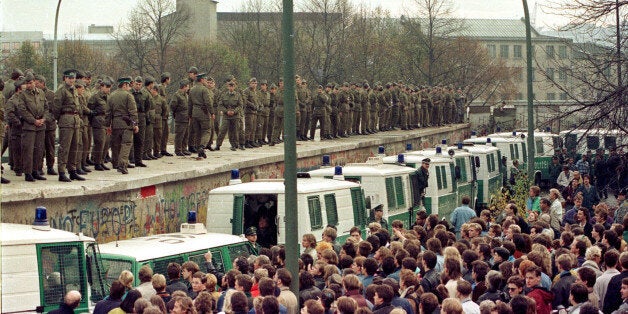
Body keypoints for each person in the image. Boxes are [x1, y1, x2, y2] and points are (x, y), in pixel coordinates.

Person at [54, 70, 83, 182]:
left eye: (73, 78)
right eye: (69, 78)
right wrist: (60, 119)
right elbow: (56, 108)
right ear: (65, 78)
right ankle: (61, 172)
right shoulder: (61, 90)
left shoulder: (74, 89)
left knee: (75, 147)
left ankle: (72, 170)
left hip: (75, 120)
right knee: (64, 147)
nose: (71, 80)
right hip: (66, 119)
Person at [106, 77, 139, 175]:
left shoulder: (111, 95)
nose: (129, 87)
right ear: (124, 85)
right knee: (126, 144)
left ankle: (115, 163)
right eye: (128, 85)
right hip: (126, 123)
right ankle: (123, 165)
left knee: (116, 145)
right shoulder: (128, 96)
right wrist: (135, 124)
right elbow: (133, 111)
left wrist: (108, 125)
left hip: (115, 123)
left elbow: (108, 113)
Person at [216, 81, 243, 151]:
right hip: (226, 116)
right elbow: (220, 105)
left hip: (235, 116)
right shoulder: (224, 95)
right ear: (228, 87)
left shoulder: (238, 95)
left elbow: (240, 105)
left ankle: (234, 145)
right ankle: (218, 145)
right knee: (222, 130)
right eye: (230, 86)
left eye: (232, 86)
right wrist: (226, 111)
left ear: (234, 87)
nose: (231, 87)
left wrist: (234, 111)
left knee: (234, 131)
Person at [171, 80, 190, 156]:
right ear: (184, 86)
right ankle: (178, 150)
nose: (188, 88)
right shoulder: (177, 95)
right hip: (180, 117)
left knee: (185, 134)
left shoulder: (186, 95)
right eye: (187, 86)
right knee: (179, 135)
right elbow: (173, 106)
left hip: (186, 117)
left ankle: (184, 149)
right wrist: (176, 113)